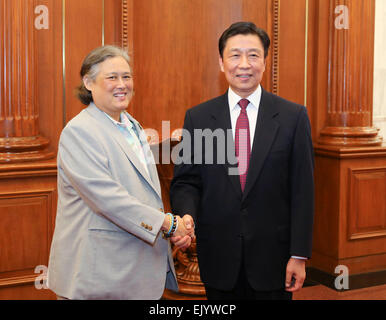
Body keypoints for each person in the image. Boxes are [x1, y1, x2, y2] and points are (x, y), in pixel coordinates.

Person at [170, 22, 314, 300]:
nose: (244, 64)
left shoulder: (293, 117)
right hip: (218, 259)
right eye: (235, 55)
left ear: (265, 61)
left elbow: (303, 191)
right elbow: (187, 181)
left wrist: (299, 254)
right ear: (221, 62)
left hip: (275, 261)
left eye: (253, 55)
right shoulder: (198, 118)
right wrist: (187, 215)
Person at [47, 45, 194, 300]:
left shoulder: (131, 125)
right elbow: (108, 199)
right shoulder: (80, 131)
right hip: (99, 277)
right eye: (112, 77)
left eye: (126, 76)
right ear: (88, 83)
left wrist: (173, 228)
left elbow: (143, 192)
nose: (122, 84)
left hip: (134, 275)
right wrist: (168, 224)